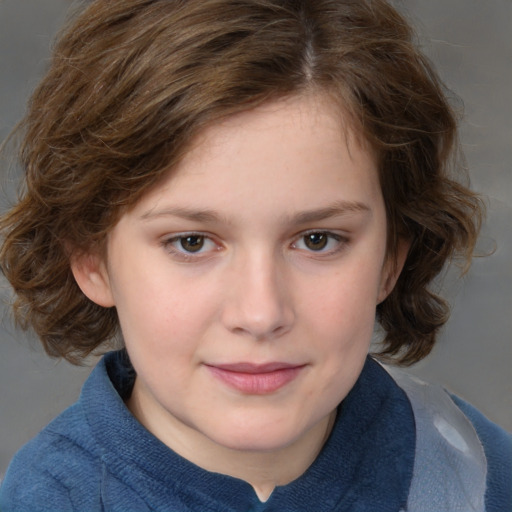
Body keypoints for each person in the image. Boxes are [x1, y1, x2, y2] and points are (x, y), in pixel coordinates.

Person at [0, 0, 510, 510]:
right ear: (92, 260)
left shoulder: (475, 468)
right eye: (191, 242)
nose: (261, 314)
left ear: (390, 261)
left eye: (317, 240)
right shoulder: (48, 498)